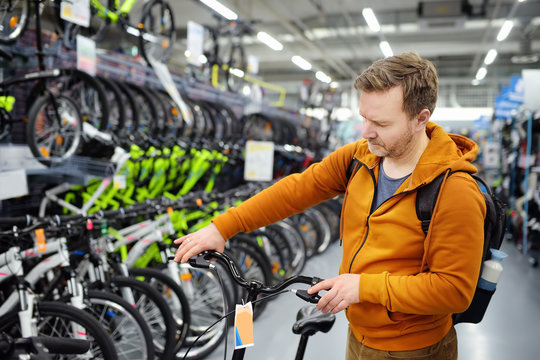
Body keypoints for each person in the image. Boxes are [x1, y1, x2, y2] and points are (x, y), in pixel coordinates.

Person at [173, 51, 486, 360]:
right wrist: (223, 226)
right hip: (359, 335)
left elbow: (454, 290)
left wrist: (364, 288)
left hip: (416, 349)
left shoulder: (454, 189)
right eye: (364, 118)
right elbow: (294, 191)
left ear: (421, 119)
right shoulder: (359, 158)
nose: (366, 132)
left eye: (381, 123)